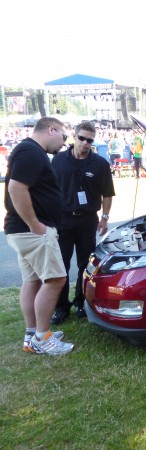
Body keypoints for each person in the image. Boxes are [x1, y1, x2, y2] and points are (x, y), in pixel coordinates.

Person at [4, 117, 74, 355]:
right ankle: (42, 338)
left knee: (32, 281)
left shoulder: (29, 150)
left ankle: (32, 334)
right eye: (64, 137)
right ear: (51, 129)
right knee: (55, 280)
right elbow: (16, 188)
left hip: (22, 231)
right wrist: (35, 225)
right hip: (32, 231)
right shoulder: (31, 151)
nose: (65, 144)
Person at [50, 121, 115, 325]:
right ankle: (61, 307)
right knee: (60, 265)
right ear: (74, 136)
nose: (85, 143)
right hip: (63, 220)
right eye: (82, 138)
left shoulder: (99, 164)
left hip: (87, 220)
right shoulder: (58, 161)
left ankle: (80, 302)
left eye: (90, 140)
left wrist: (105, 217)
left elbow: (107, 193)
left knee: (85, 264)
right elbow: (49, 191)